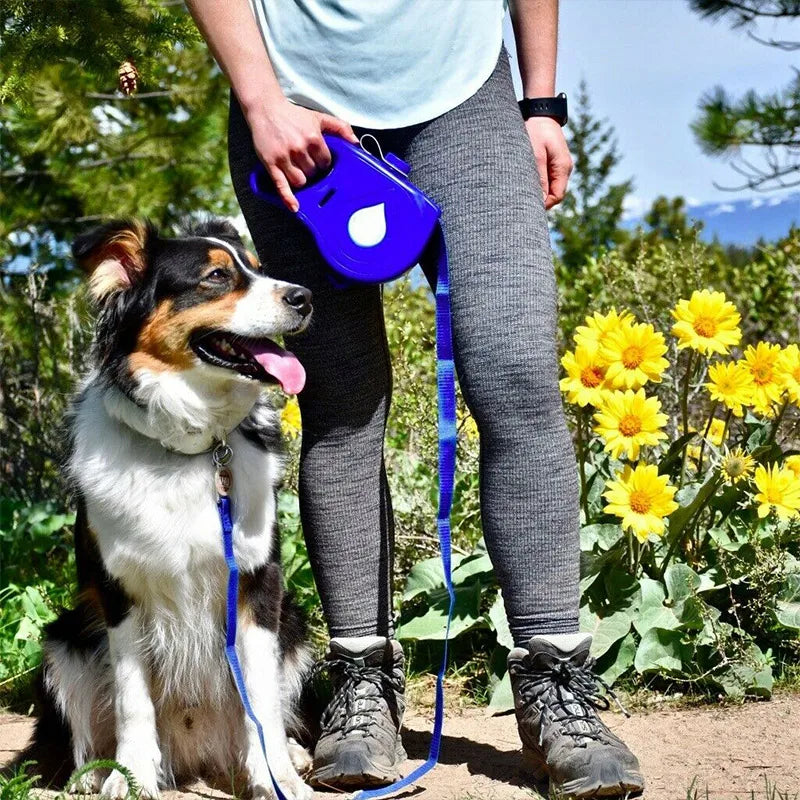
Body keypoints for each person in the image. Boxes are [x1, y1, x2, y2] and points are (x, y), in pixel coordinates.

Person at [186, 1, 644, 796]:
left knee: (517, 375)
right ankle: (362, 680)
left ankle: (556, 683)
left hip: (465, 95)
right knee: (341, 399)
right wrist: (260, 98)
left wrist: (540, 103)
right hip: (294, 101)